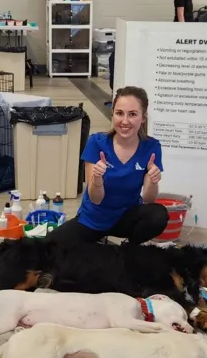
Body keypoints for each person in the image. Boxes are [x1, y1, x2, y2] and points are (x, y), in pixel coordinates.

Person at [48, 86, 168, 245]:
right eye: (119, 113)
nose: (125, 121)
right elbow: (96, 199)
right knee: (49, 245)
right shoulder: (96, 142)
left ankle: (130, 250)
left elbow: (148, 199)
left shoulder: (151, 147)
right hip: (93, 218)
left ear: (143, 118)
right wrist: (97, 179)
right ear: (113, 114)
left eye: (132, 114)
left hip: (126, 218)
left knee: (158, 215)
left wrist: (153, 180)